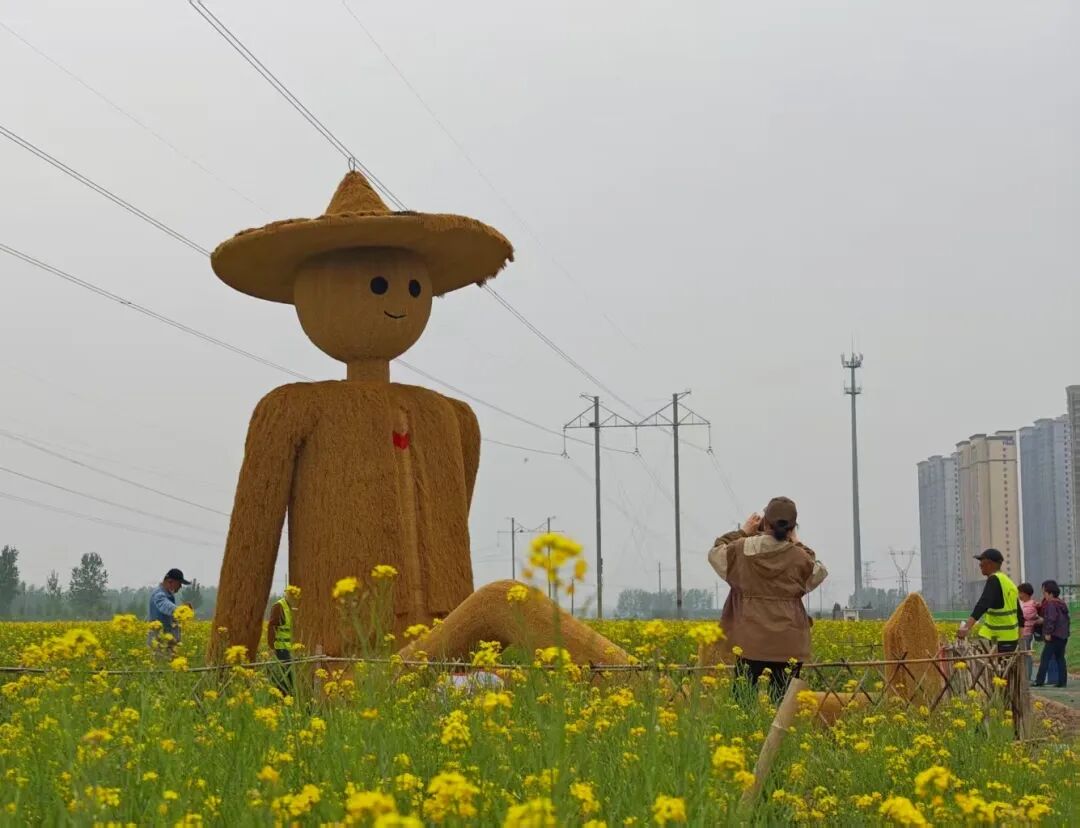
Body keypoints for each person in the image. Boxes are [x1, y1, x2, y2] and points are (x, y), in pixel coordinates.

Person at [707, 497, 827, 702]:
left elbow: (716, 552)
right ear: (792, 527)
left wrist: (743, 531)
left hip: (748, 640)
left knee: (743, 701)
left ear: (765, 522)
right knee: (782, 704)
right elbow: (817, 571)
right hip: (789, 643)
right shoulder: (799, 557)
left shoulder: (741, 549)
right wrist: (796, 541)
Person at [956, 549, 1022, 652]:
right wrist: (1020, 638)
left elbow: (983, 604)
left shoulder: (994, 579)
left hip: (1000, 638)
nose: (980, 565)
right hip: (1011, 638)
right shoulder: (1008, 582)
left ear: (990, 563)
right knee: (1008, 663)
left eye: (981, 561)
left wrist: (966, 627)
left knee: (1001, 663)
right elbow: (1019, 614)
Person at [1034, 579, 1070, 688]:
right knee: (1060, 658)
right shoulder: (1061, 603)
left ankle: (1039, 681)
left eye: (1044, 592)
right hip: (1063, 635)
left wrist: (1048, 632)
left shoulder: (1051, 604)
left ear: (1050, 593)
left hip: (1054, 635)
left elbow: (1051, 619)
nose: (1044, 595)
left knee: (1045, 657)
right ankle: (1062, 681)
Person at [147, 568, 192, 654]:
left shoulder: (167, 595)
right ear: (170, 582)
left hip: (166, 643)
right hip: (160, 644)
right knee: (161, 662)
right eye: (179, 583)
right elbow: (165, 605)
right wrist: (181, 610)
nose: (180, 587)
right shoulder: (159, 594)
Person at [267, 590, 297, 694]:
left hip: (291, 648)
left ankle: (287, 696)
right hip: (281, 648)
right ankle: (282, 696)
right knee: (286, 676)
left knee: (291, 676)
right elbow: (272, 627)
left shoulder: (292, 607)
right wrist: (271, 647)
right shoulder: (279, 607)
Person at [1018, 583, 1039, 681]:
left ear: (1025, 594)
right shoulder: (1024, 604)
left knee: (1026, 655)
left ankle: (1027, 677)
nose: (1019, 595)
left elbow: (1021, 617)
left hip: (1026, 633)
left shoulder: (1030, 606)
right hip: (1022, 633)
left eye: (1020, 593)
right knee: (1023, 655)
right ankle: (1024, 676)